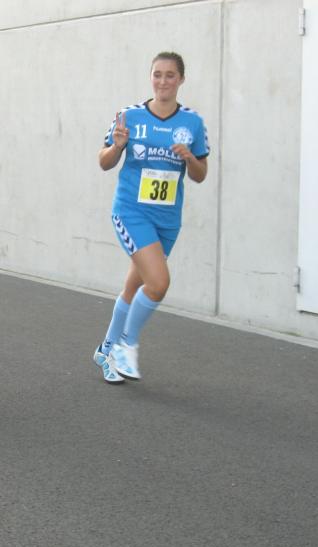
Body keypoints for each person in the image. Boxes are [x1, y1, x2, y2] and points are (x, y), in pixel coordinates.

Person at [93, 52, 209, 384]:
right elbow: (104, 162)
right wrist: (117, 147)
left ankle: (105, 350)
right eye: (157, 74)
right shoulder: (129, 116)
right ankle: (125, 345)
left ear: (181, 79)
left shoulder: (192, 122)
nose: (163, 81)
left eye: (170, 75)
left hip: (167, 219)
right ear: (150, 77)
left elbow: (200, 175)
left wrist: (189, 158)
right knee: (158, 283)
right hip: (132, 212)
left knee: (135, 286)